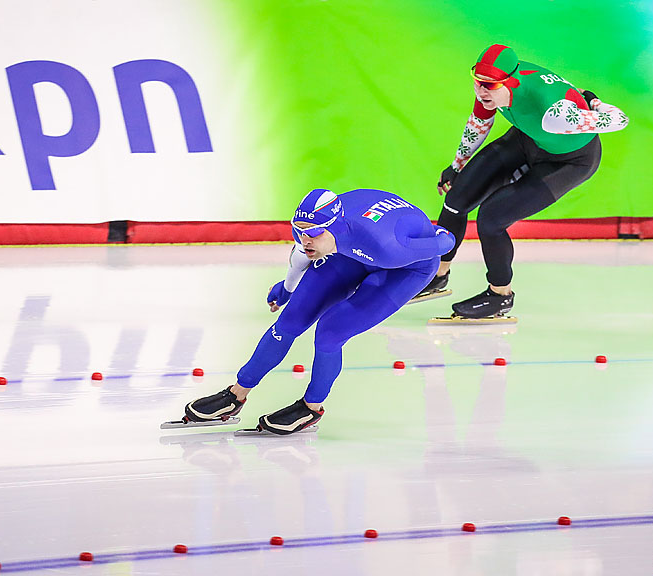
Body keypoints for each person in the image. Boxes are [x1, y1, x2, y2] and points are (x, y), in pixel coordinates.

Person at [183, 188, 455, 434]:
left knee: (330, 332)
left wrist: (441, 233)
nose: (305, 238)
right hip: (349, 252)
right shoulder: (313, 236)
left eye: (313, 233)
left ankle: (311, 408)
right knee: (289, 321)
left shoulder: (391, 248)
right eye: (299, 230)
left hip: (405, 267)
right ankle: (235, 396)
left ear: (333, 227)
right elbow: (300, 255)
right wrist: (287, 289)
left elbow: (446, 242)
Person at [417, 44, 628, 318]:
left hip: (569, 161)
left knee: (491, 219)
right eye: (478, 83)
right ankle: (437, 274)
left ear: (510, 83)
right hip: (527, 138)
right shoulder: (490, 92)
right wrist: (457, 165)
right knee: (456, 199)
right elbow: (478, 124)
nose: (482, 92)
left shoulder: (557, 115)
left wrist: (594, 102)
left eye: (490, 87)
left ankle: (500, 295)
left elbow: (619, 119)